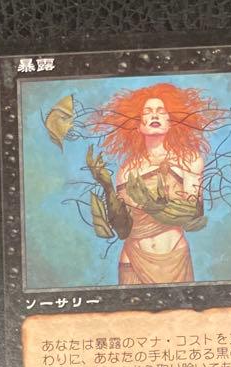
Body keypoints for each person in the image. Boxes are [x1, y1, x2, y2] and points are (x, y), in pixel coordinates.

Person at [89, 83, 219, 285]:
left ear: (171, 122)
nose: (155, 115)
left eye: (161, 111)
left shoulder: (189, 160)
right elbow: (122, 230)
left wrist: (155, 206)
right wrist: (106, 186)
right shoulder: (127, 169)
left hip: (172, 259)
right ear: (138, 125)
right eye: (147, 112)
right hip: (131, 259)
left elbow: (194, 216)